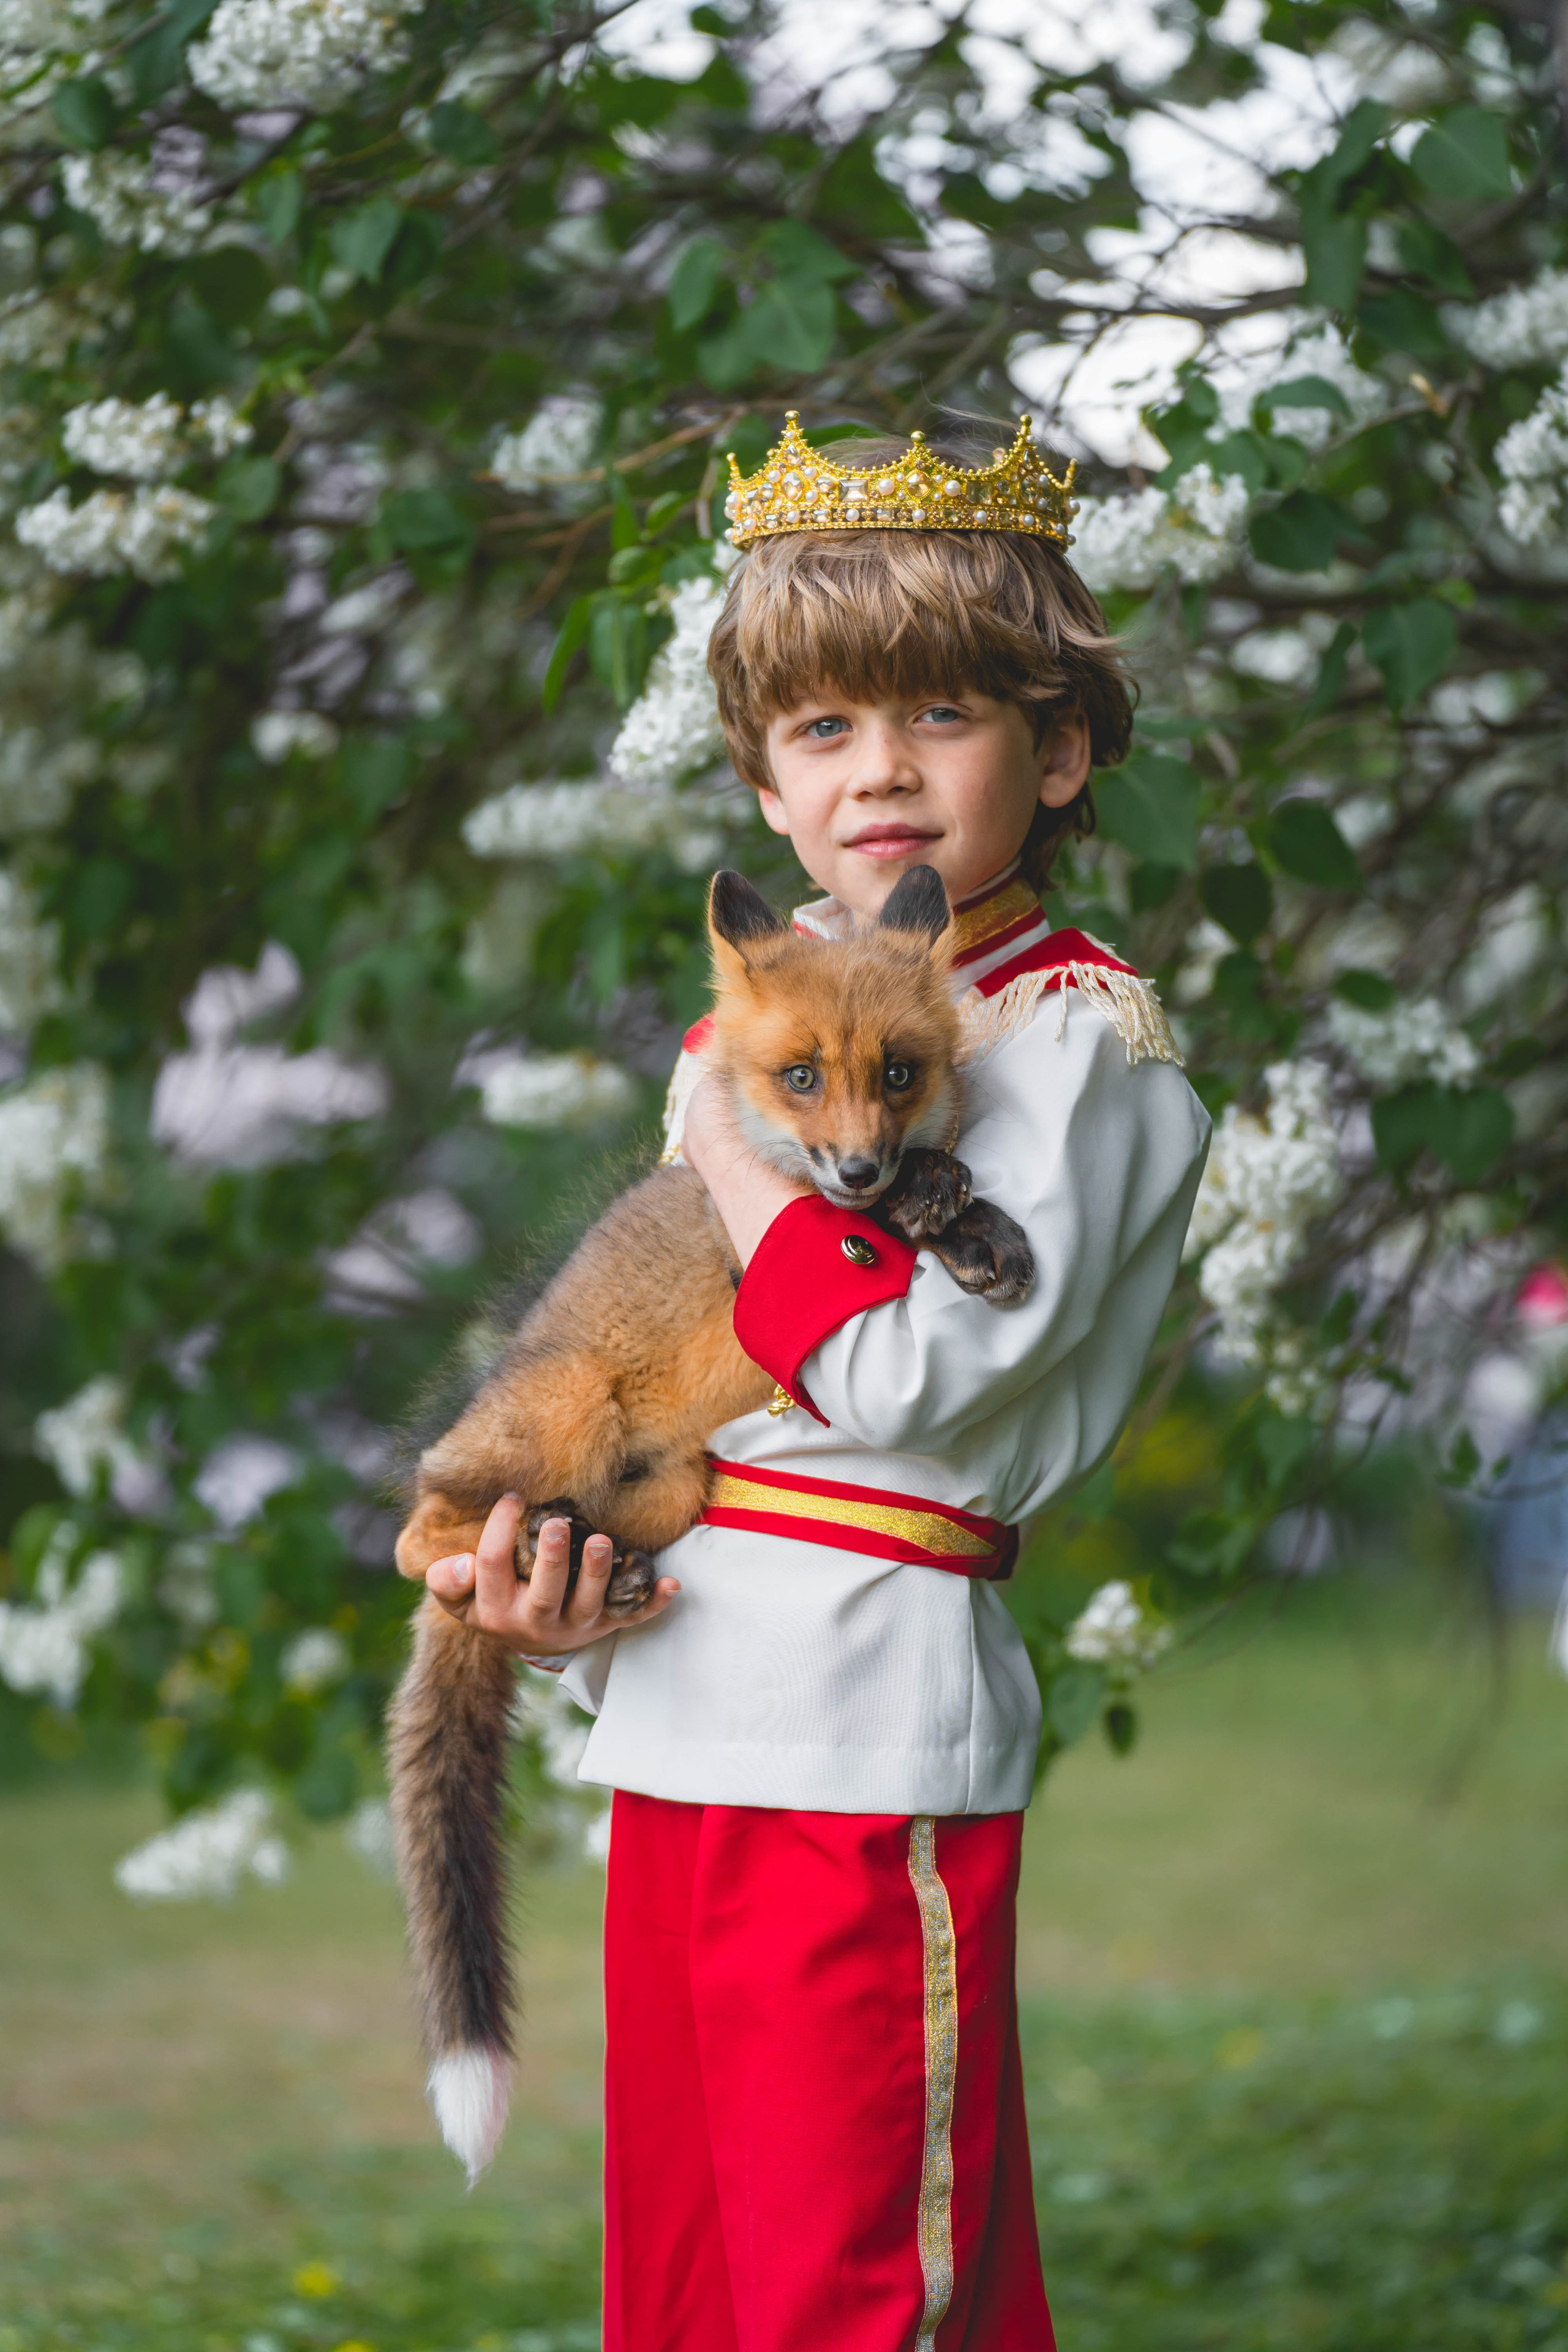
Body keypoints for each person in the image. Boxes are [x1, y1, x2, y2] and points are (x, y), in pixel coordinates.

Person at [423, 415, 1212, 2351]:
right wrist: (567, 1604)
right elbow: (705, 1384)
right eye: (823, 732)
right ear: (768, 790)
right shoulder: (764, 1040)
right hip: (692, 1712)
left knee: (859, 2296)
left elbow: (911, 1375)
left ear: (1062, 748)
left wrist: (728, 1157)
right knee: (689, 2291)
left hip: (869, 1723)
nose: (881, 772)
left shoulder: (1070, 1042)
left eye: (941, 712)